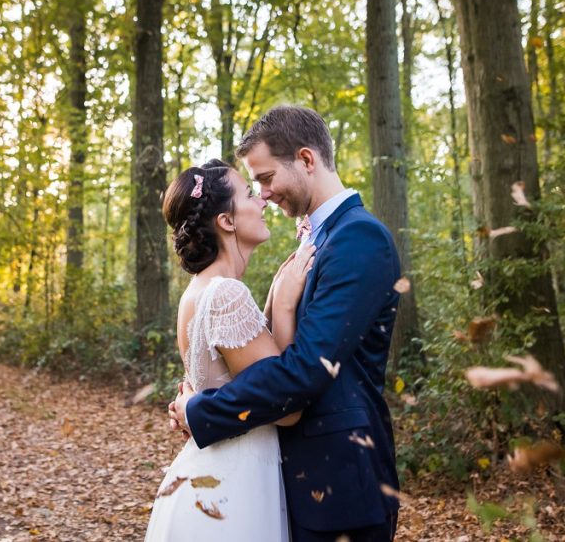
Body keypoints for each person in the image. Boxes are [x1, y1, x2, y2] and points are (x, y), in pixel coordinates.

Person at [171, 105, 402, 542]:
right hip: (289, 483)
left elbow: (305, 370)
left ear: (307, 160)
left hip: (340, 488)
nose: (264, 193)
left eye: (266, 178)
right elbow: (266, 356)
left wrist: (201, 409)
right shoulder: (316, 240)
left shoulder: (358, 238)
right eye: (255, 184)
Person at [144, 158, 316, 541]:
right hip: (233, 489)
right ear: (227, 221)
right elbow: (287, 407)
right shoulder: (226, 294)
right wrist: (286, 306)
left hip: (207, 475)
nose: (263, 201)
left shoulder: (198, 292)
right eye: (250, 194)